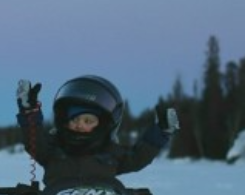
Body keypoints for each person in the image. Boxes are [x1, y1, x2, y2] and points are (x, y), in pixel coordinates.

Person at [15, 75, 178, 187]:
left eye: (87, 121)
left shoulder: (110, 152)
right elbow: (34, 140)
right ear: (64, 120)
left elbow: (138, 157)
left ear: (102, 124)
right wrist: (30, 112)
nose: (79, 125)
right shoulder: (52, 149)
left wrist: (159, 133)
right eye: (74, 119)